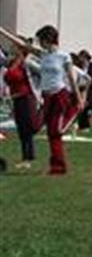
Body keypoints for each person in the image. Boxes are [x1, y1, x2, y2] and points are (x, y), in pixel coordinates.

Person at [0, 25, 82, 175]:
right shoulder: (43, 55)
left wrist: (78, 97)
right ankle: (56, 166)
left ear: (48, 40)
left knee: (54, 132)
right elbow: (22, 45)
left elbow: (71, 78)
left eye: (42, 40)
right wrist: (3, 31)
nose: (40, 44)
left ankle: (58, 167)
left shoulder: (64, 56)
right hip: (47, 97)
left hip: (59, 96)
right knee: (45, 130)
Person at [2, 37, 41, 168]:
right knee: (22, 129)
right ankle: (26, 157)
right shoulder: (12, 62)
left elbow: (41, 73)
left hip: (26, 98)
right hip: (16, 98)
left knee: (28, 128)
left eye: (14, 45)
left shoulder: (27, 63)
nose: (12, 47)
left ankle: (28, 158)